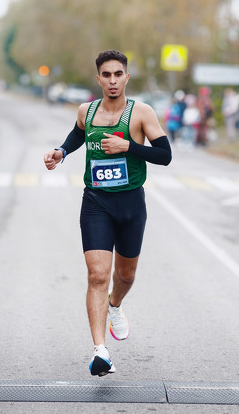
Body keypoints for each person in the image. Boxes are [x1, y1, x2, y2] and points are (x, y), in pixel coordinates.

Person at [43, 50, 171, 377]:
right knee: (97, 274)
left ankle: (115, 305)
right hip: (96, 202)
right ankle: (100, 351)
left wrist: (129, 146)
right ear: (98, 78)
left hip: (131, 205)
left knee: (125, 275)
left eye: (118, 74)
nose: (112, 80)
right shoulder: (86, 110)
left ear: (126, 77)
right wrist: (62, 151)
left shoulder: (141, 113)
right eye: (106, 75)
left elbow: (165, 155)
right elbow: (77, 133)